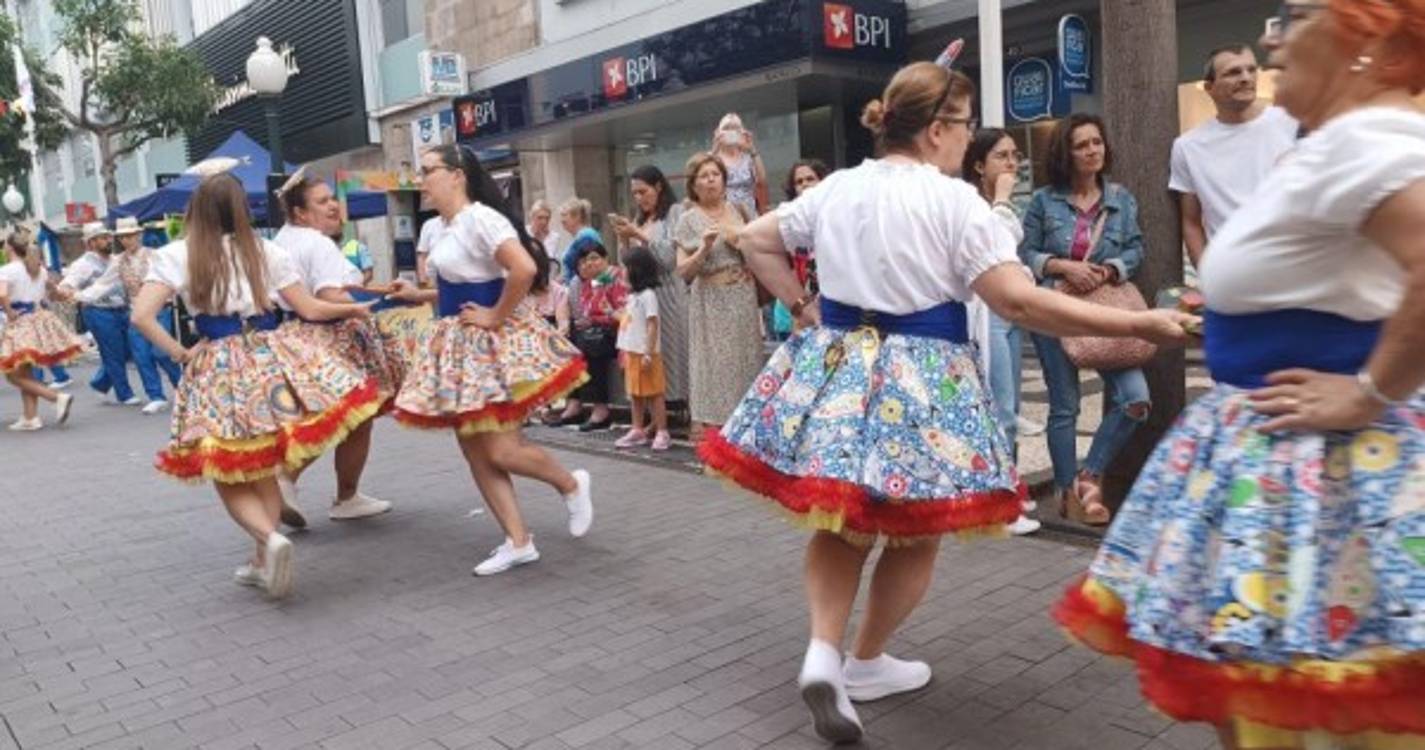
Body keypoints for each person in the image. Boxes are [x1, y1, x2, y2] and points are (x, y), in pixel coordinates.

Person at [701, 61, 1190, 745]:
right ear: (935, 130)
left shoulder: (838, 188)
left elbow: (753, 239)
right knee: (917, 529)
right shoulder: (954, 202)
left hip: (839, 364)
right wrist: (1138, 323)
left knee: (843, 520)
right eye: (962, 126)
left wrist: (802, 306)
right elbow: (1018, 301)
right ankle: (865, 661)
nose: (966, 140)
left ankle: (821, 651)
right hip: (924, 380)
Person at [1054, 3, 1425, 748]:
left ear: (1375, 49)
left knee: (1309, 704)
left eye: (1298, 17)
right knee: (1266, 694)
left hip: (1323, 463)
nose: (1268, 36)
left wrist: (1368, 391)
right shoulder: (1333, 142)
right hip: (1282, 450)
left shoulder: (1369, 140)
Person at [129, 172, 380, 599]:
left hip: (218, 363)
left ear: (198, 211)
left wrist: (180, 352)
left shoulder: (178, 255)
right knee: (260, 459)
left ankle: (269, 540)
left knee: (225, 468)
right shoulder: (267, 251)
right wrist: (354, 310)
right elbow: (311, 309)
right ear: (243, 210)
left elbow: (141, 316)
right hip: (269, 358)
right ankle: (263, 559)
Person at [388, 144, 593, 577]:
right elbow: (465, 281)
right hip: (457, 344)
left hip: (485, 345)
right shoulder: (443, 226)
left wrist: (495, 316)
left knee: (500, 448)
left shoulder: (480, 218)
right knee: (476, 452)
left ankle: (570, 484)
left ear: (457, 174)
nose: (420, 180)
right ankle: (518, 541)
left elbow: (522, 269)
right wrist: (419, 295)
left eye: (428, 171)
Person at [1019, 113, 1151, 527]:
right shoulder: (1043, 201)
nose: (1093, 150)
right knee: (1065, 406)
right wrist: (1061, 266)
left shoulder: (1120, 198)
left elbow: (1135, 249)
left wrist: (1111, 269)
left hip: (1106, 307)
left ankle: (1089, 473)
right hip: (1055, 308)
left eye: (1097, 142)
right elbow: (1023, 253)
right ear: (1066, 153)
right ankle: (1065, 492)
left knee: (1135, 399)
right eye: (1082, 145)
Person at [270, 174, 399, 526]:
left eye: (332, 198)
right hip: (328, 337)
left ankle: (342, 493)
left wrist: (382, 291)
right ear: (300, 212)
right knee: (344, 414)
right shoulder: (318, 243)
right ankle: (292, 479)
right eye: (322, 201)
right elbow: (330, 295)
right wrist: (381, 301)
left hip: (291, 335)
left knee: (342, 417)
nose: (332, 206)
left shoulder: (282, 240)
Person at [961, 129, 1041, 537]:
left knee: (1008, 407)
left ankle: (1006, 491)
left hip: (1006, 314)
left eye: (1015, 156)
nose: (1011, 164)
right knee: (1001, 409)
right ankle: (1001, 505)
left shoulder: (997, 204)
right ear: (979, 165)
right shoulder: (972, 205)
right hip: (986, 314)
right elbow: (997, 241)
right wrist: (1004, 199)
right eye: (1001, 157)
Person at [1172, 44, 1299, 267]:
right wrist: (1208, 279)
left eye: (1251, 70)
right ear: (1209, 87)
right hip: (1232, 274)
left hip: (1294, 265)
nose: (1245, 77)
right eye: (1233, 72)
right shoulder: (1188, 146)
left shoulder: (1291, 122)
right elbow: (1191, 223)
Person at [675, 152, 765, 436]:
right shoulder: (688, 219)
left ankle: (745, 427)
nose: (711, 180)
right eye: (704, 175)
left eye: (716, 174)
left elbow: (761, 249)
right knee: (714, 364)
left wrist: (741, 241)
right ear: (694, 185)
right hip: (709, 299)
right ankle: (715, 429)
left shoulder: (741, 209)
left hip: (742, 294)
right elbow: (683, 272)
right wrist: (703, 248)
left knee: (745, 358)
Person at [78, 217, 182, 415]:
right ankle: (156, 396)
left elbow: (173, 277)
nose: (127, 240)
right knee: (141, 355)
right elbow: (103, 284)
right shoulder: (119, 262)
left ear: (139, 235)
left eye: (130, 236)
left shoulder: (154, 256)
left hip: (159, 310)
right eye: (123, 237)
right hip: (135, 312)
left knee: (161, 352)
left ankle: (183, 388)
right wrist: (79, 295)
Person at [612, 165, 689, 407]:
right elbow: (627, 263)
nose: (639, 198)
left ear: (658, 187)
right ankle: (654, 416)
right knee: (645, 352)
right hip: (642, 297)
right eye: (634, 193)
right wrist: (624, 238)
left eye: (643, 192)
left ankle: (678, 409)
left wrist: (640, 234)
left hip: (668, 294)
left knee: (671, 355)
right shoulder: (639, 219)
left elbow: (669, 257)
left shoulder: (675, 213)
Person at [0, 230, 78, 430]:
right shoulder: (38, 269)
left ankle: (56, 397)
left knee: (13, 374)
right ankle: (30, 417)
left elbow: (2, 294)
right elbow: (51, 294)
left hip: (20, 323)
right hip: (38, 320)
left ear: (9, 247)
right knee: (25, 372)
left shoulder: (8, 270)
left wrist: (8, 311)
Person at [55, 222, 139, 406]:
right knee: (114, 353)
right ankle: (125, 394)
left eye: (108, 237)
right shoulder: (83, 264)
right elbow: (68, 283)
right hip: (99, 312)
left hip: (122, 310)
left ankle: (100, 382)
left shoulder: (115, 259)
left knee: (128, 350)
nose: (109, 240)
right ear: (91, 243)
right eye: (103, 238)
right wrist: (68, 290)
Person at [562, 241, 627, 432]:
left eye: (594, 258)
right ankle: (574, 402)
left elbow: (620, 313)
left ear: (605, 258)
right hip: (597, 331)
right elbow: (588, 311)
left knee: (591, 347)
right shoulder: (591, 282)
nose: (589, 264)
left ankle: (601, 407)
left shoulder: (616, 277)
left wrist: (595, 320)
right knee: (571, 345)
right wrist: (592, 320)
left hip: (618, 332)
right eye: (584, 261)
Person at [614, 247, 670, 451]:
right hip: (631, 351)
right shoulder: (632, 296)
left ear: (636, 269)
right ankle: (637, 428)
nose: (622, 271)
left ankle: (662, 431)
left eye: (625, 267)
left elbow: (652, 323)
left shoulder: (648, 295)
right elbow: (630, 321)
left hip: (647, 353)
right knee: (635, 393)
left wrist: (648, 351)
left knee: (655, 392)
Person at [711, 113, 768, 216]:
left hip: (749, 215)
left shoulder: (748, 157)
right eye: (726, 128)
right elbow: (706, 182)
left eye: (735, 128)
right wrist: (714, 149)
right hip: (724, 217)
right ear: (718, 132)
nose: (731, 132)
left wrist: (752, 149)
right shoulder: (713, 157)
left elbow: (762, 181)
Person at [557, 197, 601, 284]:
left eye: (565, 215)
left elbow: (590, 267)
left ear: (577, 217)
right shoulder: (579, 236)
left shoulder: (586, 236)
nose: (562, 220)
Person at [527, 199, 566, 268]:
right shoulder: (524, 233)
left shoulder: (554, 237)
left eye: (547, 218)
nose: (544, 222)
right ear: (532, 217)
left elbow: (554, 263)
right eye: (540, 218)